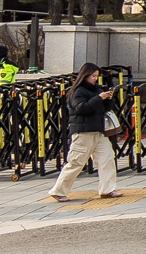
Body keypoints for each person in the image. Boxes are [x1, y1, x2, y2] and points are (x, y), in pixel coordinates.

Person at [46, 63, 123, 203]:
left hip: (98, 132)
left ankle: (108, 189)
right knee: (76, 162)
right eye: (93, 76)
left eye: (96, 76)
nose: (95, 79)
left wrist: (109, 99)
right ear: (85, 75)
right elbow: (81, 108)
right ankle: (58, 191)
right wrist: (100, 98)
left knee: (107, 158)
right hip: (83, 132)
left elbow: (104, 109)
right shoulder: (78, 91)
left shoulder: (97, 89)